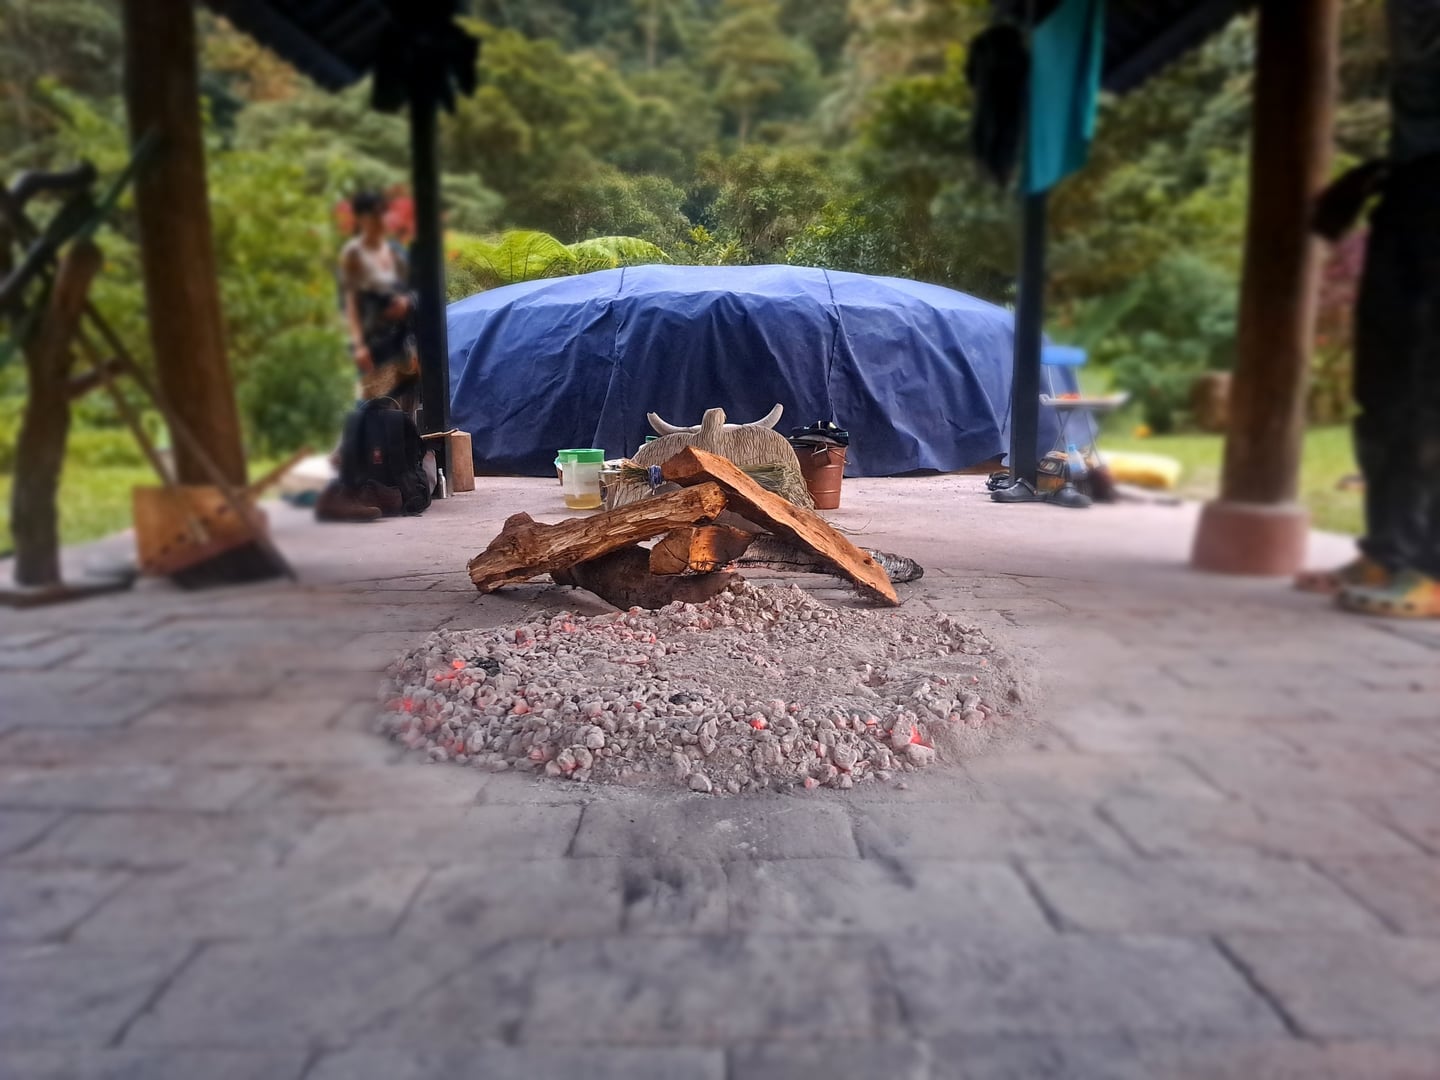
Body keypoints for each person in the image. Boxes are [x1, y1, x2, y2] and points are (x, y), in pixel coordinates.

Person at [1298, 0, 1440, 618]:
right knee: (1382, 389)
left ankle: (1431, 567)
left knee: (1432, 394)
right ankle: (1388, 549)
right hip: (1409, 187)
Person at [339, 191, 420, 415]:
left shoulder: (396, 252)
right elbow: (351, 303)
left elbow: (412, 289)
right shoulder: (354, 253)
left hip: (401, 340)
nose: (378, 220)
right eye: (372, 215)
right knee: (368, 404)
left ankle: (406, 445)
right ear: (360, 218)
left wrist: (407, 303)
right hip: (373, 340)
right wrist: (358, 345)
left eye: (381, 214)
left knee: (406, 403)